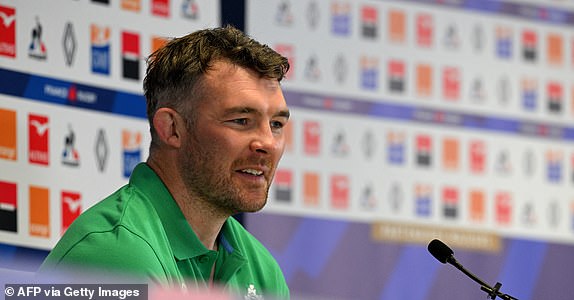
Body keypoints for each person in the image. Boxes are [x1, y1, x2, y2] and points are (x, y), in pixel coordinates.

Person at [39, 25, 291, 299]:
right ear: (172, 129)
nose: (267, 143)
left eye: (276, 124)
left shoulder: (262, 272)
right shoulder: (116, 251)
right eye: (241, 121)